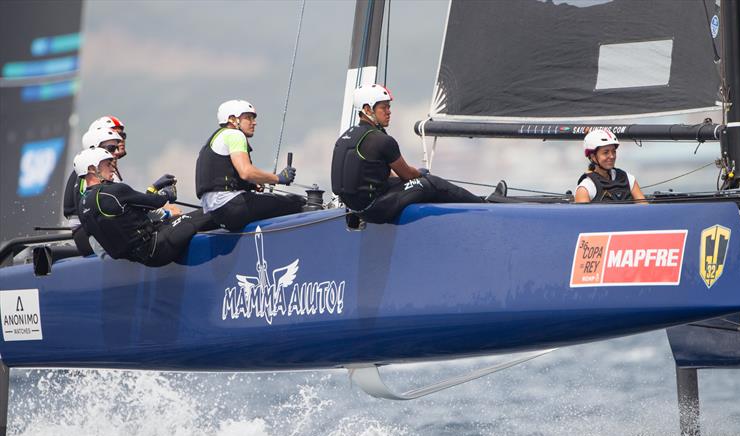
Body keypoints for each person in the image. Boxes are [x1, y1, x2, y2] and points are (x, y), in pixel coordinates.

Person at [331, 84, 506, 224]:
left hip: (356, 210)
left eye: (389, 107)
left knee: (417, 180)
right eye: (383, 107)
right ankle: (486, 206)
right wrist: (421, 174)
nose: (389, 111)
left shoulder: (346, 137)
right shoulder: (381, 140)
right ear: (368, 110)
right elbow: (407, 174)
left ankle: (474, 201)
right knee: (430, 183)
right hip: (376, 210)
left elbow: (370, 173)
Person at [75, 148, 207, 267]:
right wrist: (167, 194)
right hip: (157, 248)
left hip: (138, 256)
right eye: (107, 164)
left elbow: (133, 211)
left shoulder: (82, 204)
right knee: (208, 214)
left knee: (183, 220)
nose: (112, 168)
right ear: (92, 168)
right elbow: (155, 203)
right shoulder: (112, 191)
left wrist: (152, 189)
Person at [195, 99, 305, 231]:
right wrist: (279, 178)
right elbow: (246, 172)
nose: (254, 122)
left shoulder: (216, 138)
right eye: (248, 118)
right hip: (230, 205)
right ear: (232, 119)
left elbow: (227, 175)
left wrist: (251, 185)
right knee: (294, 202)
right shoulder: (235, 135)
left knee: (269, 203)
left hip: (216, 211)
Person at [62, 126, 125, 255]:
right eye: (111, 148)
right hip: (93, 240)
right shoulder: (95, 176)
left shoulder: (81, 172)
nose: (116, 152)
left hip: (85, 236)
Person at [574, 129, 647, 204]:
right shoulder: (586, 188)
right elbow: (583, 215)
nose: (612, 156)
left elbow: (645, 210)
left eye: (613, 151)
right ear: (593, 157)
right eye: (606, 152)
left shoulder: (628, 179)